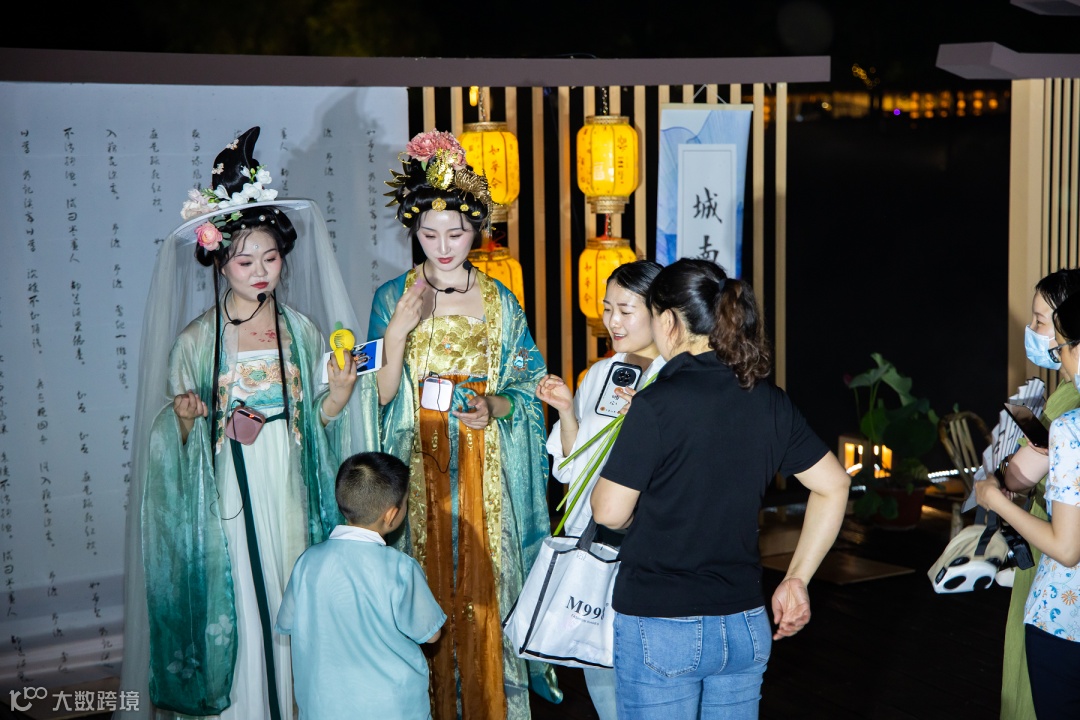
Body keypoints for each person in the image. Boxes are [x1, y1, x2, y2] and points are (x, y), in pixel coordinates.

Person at [117, 127, 379, 719]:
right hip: (230, 487)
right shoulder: (197, 340)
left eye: (271, 257)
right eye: (244, 260)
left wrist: (338, 395)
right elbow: (171, 441)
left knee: (291, 588)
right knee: (235, 591)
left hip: (289, 480)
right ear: (218, 262)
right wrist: (185, 420)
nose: (261, 271)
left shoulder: (301, 330)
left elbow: (318, 420)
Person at [590, 258, 851, 719]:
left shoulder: (655, 404)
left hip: (661, 622)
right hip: (744, 623)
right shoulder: (768, 399)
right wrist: (796, 579)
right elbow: (834, 485)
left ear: (668, 321)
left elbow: (608, 512)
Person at [367, 129, 559, 719]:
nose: (443, 246)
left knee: (485, 591)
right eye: (429, 234)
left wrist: (492, 407)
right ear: (413, 231)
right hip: (417, 468)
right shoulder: (392, 296)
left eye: (456, 233)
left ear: (477, 230)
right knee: (421, 594)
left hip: (485, 469)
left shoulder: (501, 302)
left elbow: (528, 386)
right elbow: (378, 397)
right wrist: (397, 330)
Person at [535, 259, 664, 720]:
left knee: (645, 667)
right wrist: (567, 411)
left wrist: (647, 418)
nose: (613, 321)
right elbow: (572, 469)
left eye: (626, 310)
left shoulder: (675, 379)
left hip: (644, 545)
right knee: (598, 661)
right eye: (608, 308)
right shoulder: (599, 373)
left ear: (660, 311)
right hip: (589, 540)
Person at [275, 451, 446, 720]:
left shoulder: (307, 562)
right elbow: (431, 635)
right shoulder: (401, 568)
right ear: (391, 515)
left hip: (324, 707)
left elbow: (288, 623)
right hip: (390, 709)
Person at [977, 290, 1080, 719]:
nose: (1058, 356)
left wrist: (994, 499)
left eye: (1060, 343)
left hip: (1063, 619)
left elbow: (1067, 548)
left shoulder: (1070, 426)